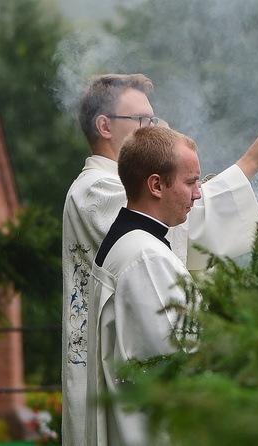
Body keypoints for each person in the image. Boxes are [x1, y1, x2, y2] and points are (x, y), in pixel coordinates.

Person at [61, 73, 258, 445]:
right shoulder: (95, 191)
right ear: (104, 126)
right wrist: (248, 165)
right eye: (142, 121)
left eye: (153, 120)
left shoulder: (130, 213)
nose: (152, 127)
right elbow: (169, 222)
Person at [86, 126, 202, 445]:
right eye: (190, 182)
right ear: (156, 185)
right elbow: (184, 357)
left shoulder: (131, 242)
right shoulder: (145, 256)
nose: (198, 193)